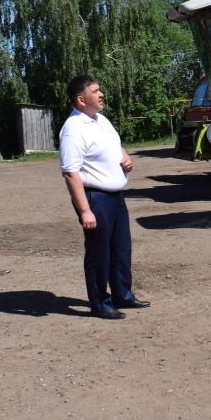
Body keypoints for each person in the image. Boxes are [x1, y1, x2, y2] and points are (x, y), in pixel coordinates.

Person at [60, 75, 150, 320]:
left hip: (115, 196)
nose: (101, 95)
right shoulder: (73, 129)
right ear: (81, 99)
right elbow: (70, 173)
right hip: (95, 198)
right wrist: (85, 210)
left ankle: (123, 295)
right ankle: (100, 302)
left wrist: (125, 156)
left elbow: (115, 145)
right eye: (95, 91)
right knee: (99, 253)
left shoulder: (101, 120)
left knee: (121, 248)